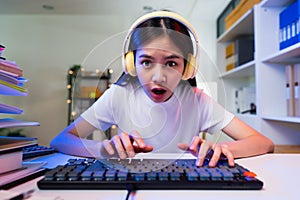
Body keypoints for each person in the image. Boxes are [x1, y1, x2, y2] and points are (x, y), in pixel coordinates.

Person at [50, 10, 274, 167]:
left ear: (188, 68)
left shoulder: (197, 100)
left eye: (171, 63)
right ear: (131, 64)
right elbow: (60, 140)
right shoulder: (118, 96)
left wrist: (224, 149)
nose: (159, 77)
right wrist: (102, 148)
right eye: (146, 62)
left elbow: (264, 143)